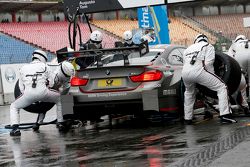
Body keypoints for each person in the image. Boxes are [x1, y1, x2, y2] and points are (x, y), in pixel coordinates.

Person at [181, 34, 237, 124]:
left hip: (185, 73)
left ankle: (187, 119)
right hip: (199, 71)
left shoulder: (187, 49)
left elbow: (185, 64)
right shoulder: (208, 45)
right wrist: (212, 77)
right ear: (206, 40)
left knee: (189, 93)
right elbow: (209, 63)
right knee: (222, 87)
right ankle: (225, 115)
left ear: (196, 40)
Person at [9, 50, 64, 136]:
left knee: (14, 106)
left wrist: (29, 96)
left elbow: (21, 87)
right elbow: (52, 83)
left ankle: (15, 129)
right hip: (44, 93)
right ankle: (61, 123)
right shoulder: (45, 66)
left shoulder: (23, 68)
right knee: (61, 99)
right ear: (42, 58)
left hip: (28, 95)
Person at [32, 60, 76, 131]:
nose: (67, 77)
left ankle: (67, 119)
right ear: (62, 72)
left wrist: (61, 96)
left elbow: (66, 89)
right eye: (67, 75)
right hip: (48, 89)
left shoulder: (67, 77)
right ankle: (38, 122)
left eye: (68, 76)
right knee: (45, 103)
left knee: (67, 98)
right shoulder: (52, 72)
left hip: (56, 90)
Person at [227, 35, 250, 115]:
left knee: (240, 81)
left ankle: (244, 104)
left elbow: (229, 60)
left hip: (239, 67)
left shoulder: (234, 45)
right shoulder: (248, 41)